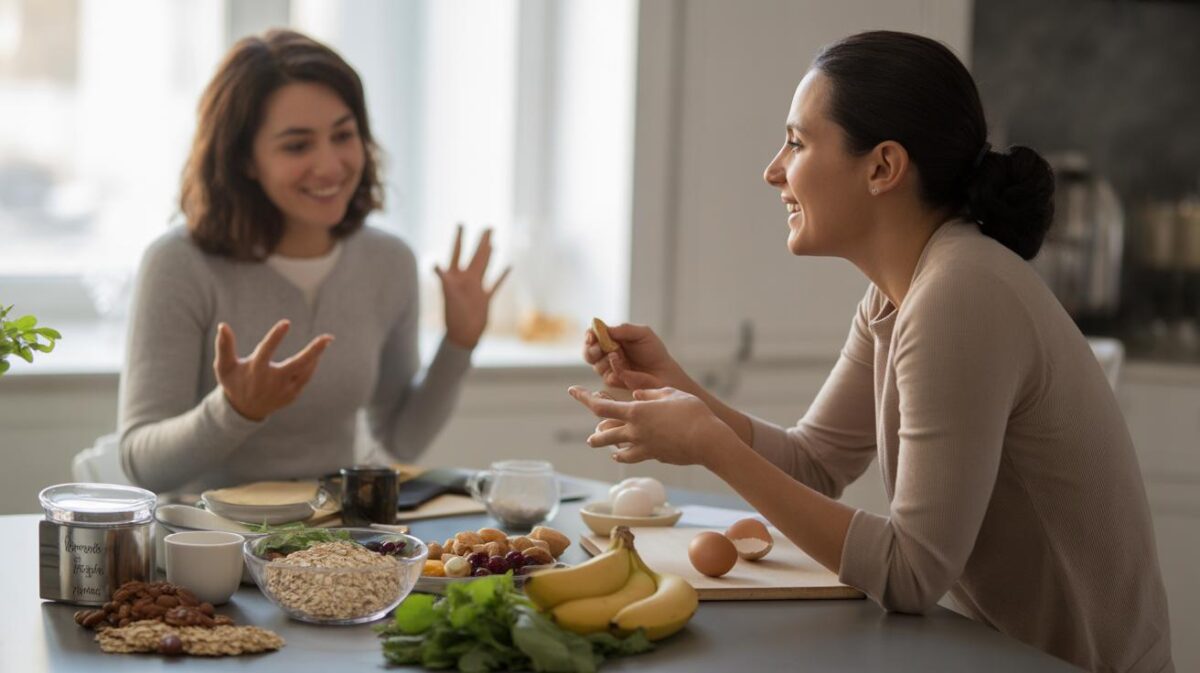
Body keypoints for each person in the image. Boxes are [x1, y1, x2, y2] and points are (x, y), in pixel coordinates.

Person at [569, 30, 1172, 673]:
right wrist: (686, 396)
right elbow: (814, 462)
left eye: (797, 143)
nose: (773, 169)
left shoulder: (959, 294)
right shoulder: (903, 290)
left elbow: (911, 575)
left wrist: (709, 444)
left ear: (883, 167)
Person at [119, 30, 508, 494]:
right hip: (209, 552)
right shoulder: (179, 264)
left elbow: (402, 439)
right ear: (244, 159)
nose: (330, 166)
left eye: (343, 135)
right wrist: (235, 409)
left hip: (337, 547)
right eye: (297, 145)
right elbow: (141, 464)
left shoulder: (388, 262)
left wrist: (460, 343)